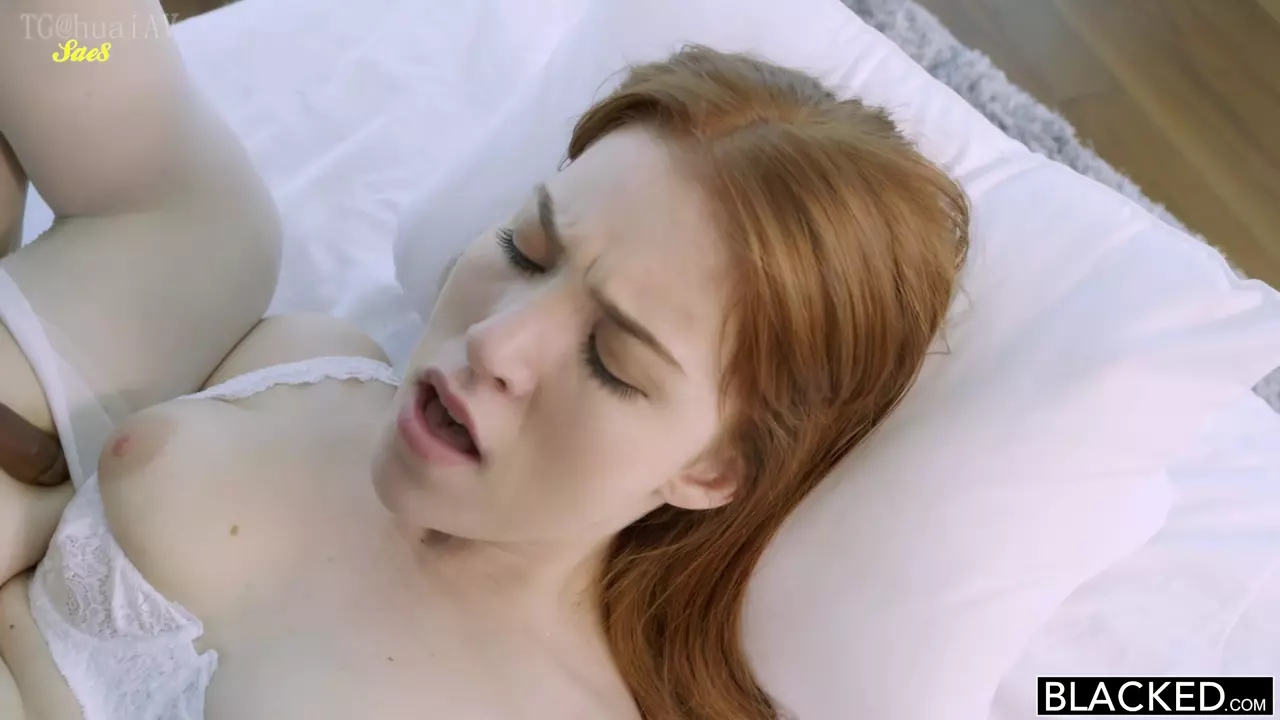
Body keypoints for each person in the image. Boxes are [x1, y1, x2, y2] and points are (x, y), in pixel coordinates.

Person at [0, 1, 969, 718]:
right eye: (525, 251)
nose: (495, 341)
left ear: (712, 469)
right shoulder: (307, 364)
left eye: (609, 360)